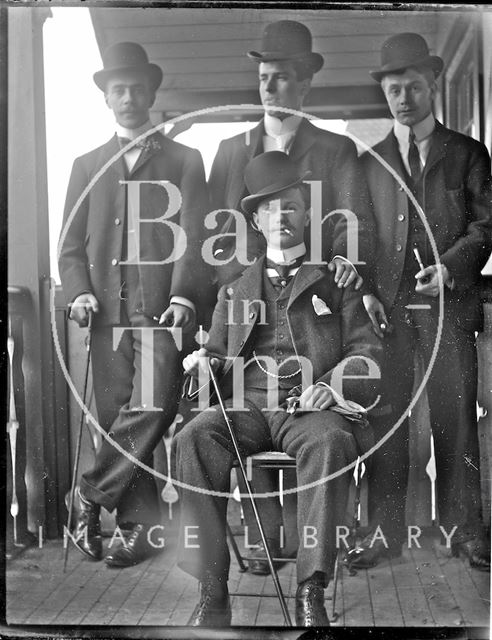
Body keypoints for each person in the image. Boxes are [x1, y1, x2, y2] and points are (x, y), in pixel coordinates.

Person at [174, 151, 383, 627]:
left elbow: (367, 355)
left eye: (290, 205)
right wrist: (204, 364)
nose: (281, 216)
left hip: (310, 411)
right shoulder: (235, 290)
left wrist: (331, 386)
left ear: (305, 212)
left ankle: (312, 590)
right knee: (193, 437)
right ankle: (212, 590)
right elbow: (221, 360)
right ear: (255, 219)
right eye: (269, 209)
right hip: (248, 407)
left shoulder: (335, 280)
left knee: (331, 440)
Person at [208, 19, 377, 573]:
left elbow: (352, 231)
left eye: (283, 79)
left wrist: (338, 274)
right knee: (249, 390)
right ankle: (263, 537)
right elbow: (218, 238)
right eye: (263, 78)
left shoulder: (334, 149)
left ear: (305, 86)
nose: (270, 88)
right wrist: (246, 289)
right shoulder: (232, 151)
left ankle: (308, 559)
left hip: (314, 293)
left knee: (302, 408)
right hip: (249, 298)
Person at [58, 42, 210, 568]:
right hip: (104, 319)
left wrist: (185, 294)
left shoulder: (184, 160)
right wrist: (78, 290)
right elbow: (70, 246)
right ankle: (133, 530)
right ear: (106, 96)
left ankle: (89, 495)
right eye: (118, 88)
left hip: (159, 314)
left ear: (151, 92)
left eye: (136, 87)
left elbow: (194, 236)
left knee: (151, 408)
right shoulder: (86, 166)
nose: (128, 96)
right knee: (117, 417)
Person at [352, 32, 492, 570]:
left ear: (432, 84)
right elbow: (357, 234)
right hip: (386, 316)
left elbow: (486, 224)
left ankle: (464, 532)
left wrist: (451, 267)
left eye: (412, 86)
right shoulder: (370, 162)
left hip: (450, 310)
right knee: (385, 422)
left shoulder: (467, 152)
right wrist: (366, 289)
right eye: (393, 89)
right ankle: (383, 532)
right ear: (385, 94)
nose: (403, 97)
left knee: (454, 422)